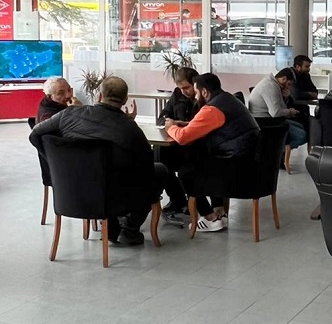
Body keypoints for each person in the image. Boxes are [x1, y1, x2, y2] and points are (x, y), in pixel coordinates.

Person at [29, 76, 167, 245]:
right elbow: (146, 162)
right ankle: (130, 229)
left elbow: (35, 133)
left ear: (99, 96)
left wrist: (55, 163)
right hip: (112, 192)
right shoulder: (129, 127)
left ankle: (112, 225)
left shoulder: (67, 114)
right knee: (159, 170)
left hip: (71, 185)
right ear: (125, 99)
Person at [165, 73, 260, 232]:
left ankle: (210, 218)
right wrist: (186, 124)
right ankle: (219, 212)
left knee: (186, 173)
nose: (195, 97)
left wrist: (171, 127)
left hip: (235, 168)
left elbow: (182, 138)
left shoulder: (212, 109)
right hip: (247, 161)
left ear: (204, 92)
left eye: (196, 92)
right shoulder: (228, 100)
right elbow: (210, 124)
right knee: (201, 158)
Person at [157, 67, 199, 216]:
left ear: (195, 84)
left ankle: (192, 200)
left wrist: (180, 124)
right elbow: (162, 117)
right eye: (180, 88)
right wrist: (168, 121)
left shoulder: (203, 97)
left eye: (186, 88)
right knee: (159, 159)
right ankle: (177, 198)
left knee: (183, 166)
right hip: (177, 144)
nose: (183, 91)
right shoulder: (177, 94)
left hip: (196, 147)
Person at [248, 68, 307, 150]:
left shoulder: (275, 85)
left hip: (268, 118)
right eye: (289, 84)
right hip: (263, 121)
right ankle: (277, 151)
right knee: (301, 136)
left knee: (300, 126)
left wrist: (285, 98)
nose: (289, 87)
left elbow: (279, 108)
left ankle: (280, 149)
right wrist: (290, 112)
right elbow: (275, 112)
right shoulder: (270, 86)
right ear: (284, 79)